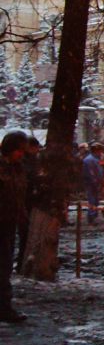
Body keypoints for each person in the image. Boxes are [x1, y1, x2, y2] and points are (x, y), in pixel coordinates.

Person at [1, 131, 28, 322]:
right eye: (19, 150)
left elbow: (18, 194)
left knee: (4, 266)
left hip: (9, 222)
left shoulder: (17, 168)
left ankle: (4, 307)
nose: (22, 154)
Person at [82, 145, 104, 224]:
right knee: (92, 200)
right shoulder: (89, 160)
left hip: (96, 182)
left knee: (95, 200)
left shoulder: (95, 159)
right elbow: (91, 173)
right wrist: (95, 182)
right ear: (96, 151)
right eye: (100, 151)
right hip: (91, 183)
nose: (101, 153)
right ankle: (91, 217)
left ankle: (93, 215)